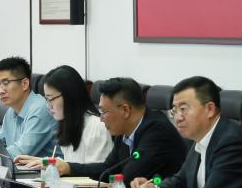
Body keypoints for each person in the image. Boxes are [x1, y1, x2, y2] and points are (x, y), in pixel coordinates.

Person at [130, 76, 242, 188]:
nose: (178, 118)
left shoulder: (232, 142)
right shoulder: (200, 137)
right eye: (174, 110)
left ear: (210, 109)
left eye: (183, 109)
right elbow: (181, 182)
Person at [55, 77, 187, 182]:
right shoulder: (125, 129)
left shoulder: (157, 131)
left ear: (125, 110)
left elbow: (127, 177)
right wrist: (69, 168)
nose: (101, 118)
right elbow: (108, 169)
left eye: (104, 111)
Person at [14, 65, 112, 170]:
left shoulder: (97, 126)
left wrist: (63, 167)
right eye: (46, 100)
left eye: (51, 99)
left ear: (69, 96)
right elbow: (71, 164)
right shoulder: (67, 124)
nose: (48, 105)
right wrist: (42, 162)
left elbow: (96, 172)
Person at [0, 56, 54, 158]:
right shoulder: (11, 111)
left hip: (48, 168)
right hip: (20, 168)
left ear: (25, 84)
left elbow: (20, 152)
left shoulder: (40, 109)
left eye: (6, 83)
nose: (1, 91)